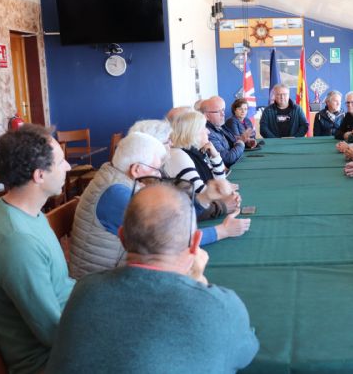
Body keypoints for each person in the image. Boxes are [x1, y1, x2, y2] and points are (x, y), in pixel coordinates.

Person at [46, 184, 259, 373]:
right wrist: (199, 281)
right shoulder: (220, 306)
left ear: (122, 238)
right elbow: (246, 353)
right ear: (195, 243)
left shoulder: (84, 290)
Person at [0, 125, 75, 373]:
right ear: (39, 175)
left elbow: (60, 288)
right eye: (62, 161)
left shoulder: (26, 213)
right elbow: (53, 333)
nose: (68, 167)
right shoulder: (16, 241)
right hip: (48, 361)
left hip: (67, 329)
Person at [70, 132, 166, 279]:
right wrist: (215, 232)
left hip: (102, 276)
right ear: (136, 170)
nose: (159, 175)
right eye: (155, 169)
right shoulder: (117, 193)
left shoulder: (112, 174)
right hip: (98, 286)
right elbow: (168, 238)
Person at [163, 111, 250, 241]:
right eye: (204, 128)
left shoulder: (195, 151)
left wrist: (215, 156)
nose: (208, 132)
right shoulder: (179, 156)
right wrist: (225, 201)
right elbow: (204, 195)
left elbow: (220, 185)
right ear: (192, 132)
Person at [202, 96, 249, 167]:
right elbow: (228, 159)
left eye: (223, 110)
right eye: (218, 111)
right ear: (206, 116)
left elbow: (234, 141)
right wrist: (241, 144)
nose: (223, 114)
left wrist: (246, 142)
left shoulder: (220, 126)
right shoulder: (208, 134)